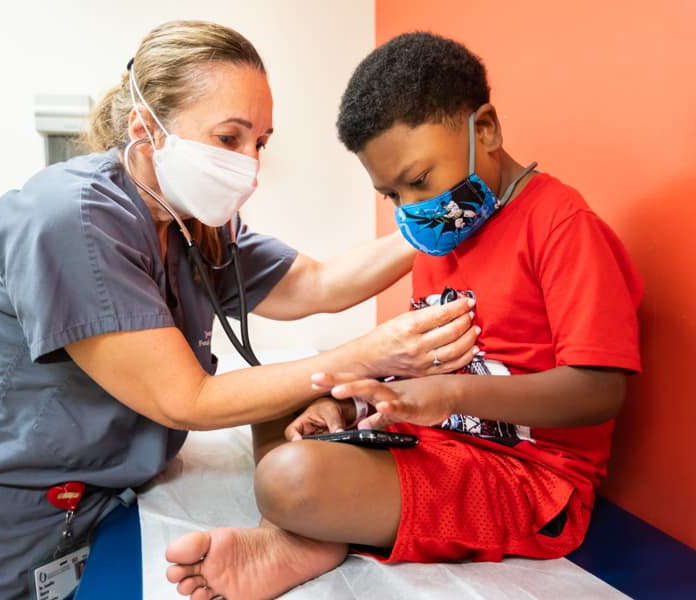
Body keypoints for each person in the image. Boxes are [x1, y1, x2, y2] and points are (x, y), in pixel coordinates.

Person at [0, 22, 479, 600]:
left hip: (93, 512)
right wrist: (362, 356)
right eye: (230, 138)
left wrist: (447, 211)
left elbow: (317, 283)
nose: (250, 164)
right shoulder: (67, 218)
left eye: (261, 143)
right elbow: (185, 399)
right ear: (145, 129)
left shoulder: (190, 224)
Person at [166, 31, 643, 600]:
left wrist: (450, 397)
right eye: (392, 195)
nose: (413, 208)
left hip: (530, 478)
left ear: (484, 130)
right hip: (437, 439)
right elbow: (425, 375)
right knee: (285, 394)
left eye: (418, 181)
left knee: (289, 477)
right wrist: (352, 403)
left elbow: (599, 391)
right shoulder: (443, 238)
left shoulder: (562, 226)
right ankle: (314, 525)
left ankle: (297, 532)